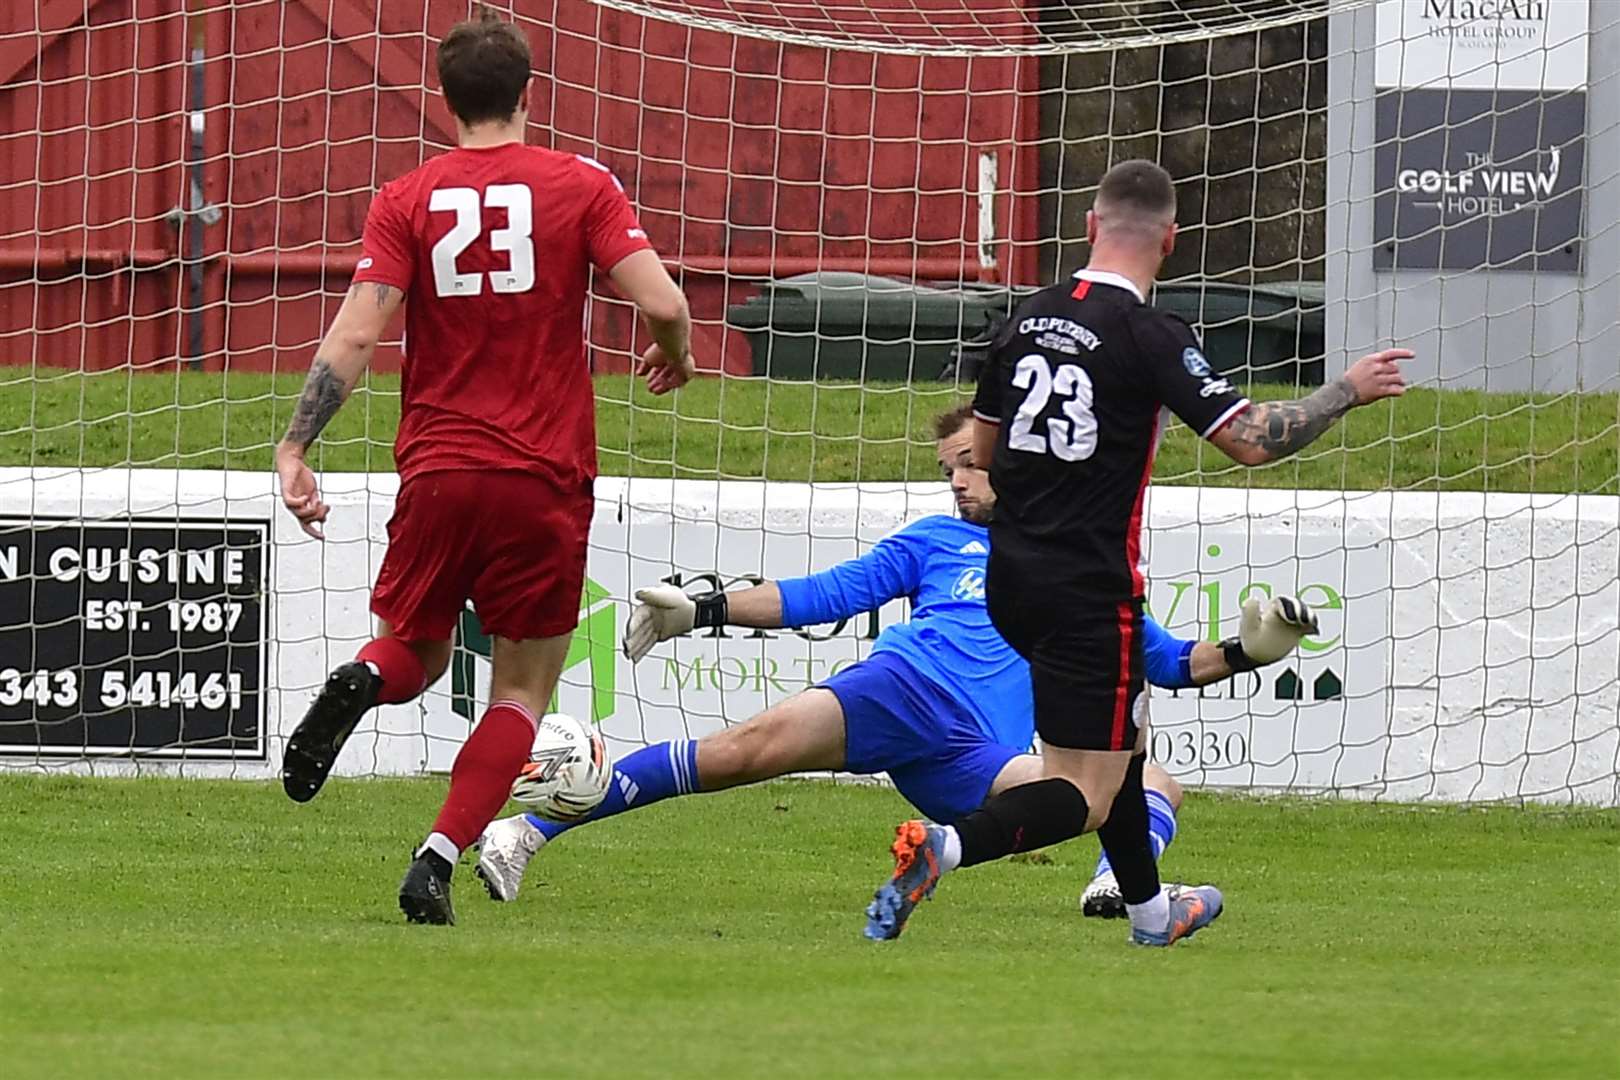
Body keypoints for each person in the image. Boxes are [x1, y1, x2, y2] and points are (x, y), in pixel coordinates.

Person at [474, 405, 1319, 916]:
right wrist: (706, 608)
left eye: (971, 467)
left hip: (979, 757)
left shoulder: (1082, 561)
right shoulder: (934, 542)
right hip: (904, 690)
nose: (956, 482)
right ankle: (527, 829)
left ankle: (1115, 888)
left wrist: (1252, 649)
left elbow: (1169, 661)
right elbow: (820, 596)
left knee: (1146, 783)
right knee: (741, 753)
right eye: (949, 469)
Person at [863, 159, 1410, 947]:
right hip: (1089, 590)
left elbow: (981, 450)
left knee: (1120, 750)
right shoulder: (1152, 336)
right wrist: (1344, 391)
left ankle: (1154, 916)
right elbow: (1251, 441)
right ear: (1172, 239)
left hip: (1011, 580)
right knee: (1082, 789)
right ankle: (946, 846)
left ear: (1089, 226)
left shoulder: (1025, 318)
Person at [271, 9, 695, 927]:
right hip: (541, 476)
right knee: (520, 689)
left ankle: (364, 678)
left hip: (437, 468)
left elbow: (356, 333)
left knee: (415, 653)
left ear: (446, 99)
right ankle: (437, 854)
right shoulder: (580, 185)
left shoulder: (408, 197)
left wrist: (297, 445)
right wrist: (679, 350)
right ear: (528, 93)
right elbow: (662, 299)